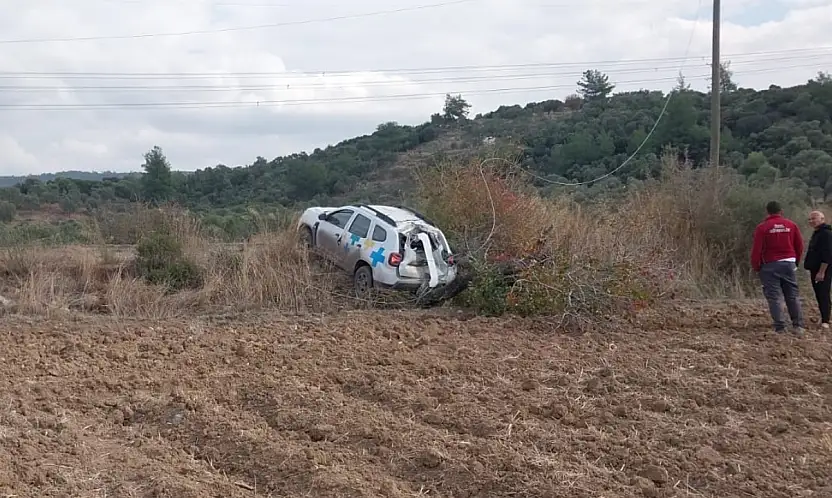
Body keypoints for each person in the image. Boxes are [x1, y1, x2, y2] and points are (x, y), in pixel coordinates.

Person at [750, 201, 805, 335]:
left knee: (774, 297)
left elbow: (757, 249)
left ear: (767, 212)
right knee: (792, 295)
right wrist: (795, 261)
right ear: (781, 211)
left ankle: (780, 327)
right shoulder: (792, 225)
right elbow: (800, 245)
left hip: (770, 265)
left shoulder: (762, 227)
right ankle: (798, 326)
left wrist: (756, 266)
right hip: (789, 263)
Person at [804, 210, 832, 330]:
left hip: (823, 269)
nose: (811, 221)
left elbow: (828, 254)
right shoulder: (817, 233)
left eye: (814, 218)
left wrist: (822, 271)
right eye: (810, 219)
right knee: (819, 294)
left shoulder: (826, 233)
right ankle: (824, 316)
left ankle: (826, 320)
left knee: (823, 293)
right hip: (815, 268)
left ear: (822, 219)